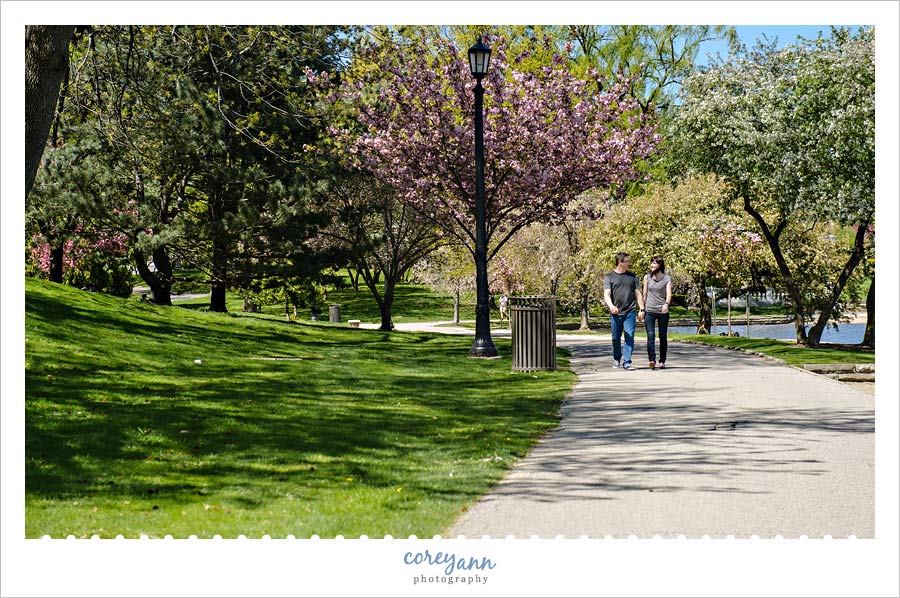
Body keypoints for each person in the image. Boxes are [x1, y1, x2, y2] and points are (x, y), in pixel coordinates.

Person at [603, 252, 644, 370]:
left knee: (629, 335)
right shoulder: (609, 277)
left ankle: (627, 361)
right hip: (615, 312)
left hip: (629, 311)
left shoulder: (633, 277)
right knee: (616, 337)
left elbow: (638, 293)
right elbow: (607, 294)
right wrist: (611, 306)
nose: (629, 263)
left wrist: (641, 309)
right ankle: (617, 358)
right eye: (627, 261)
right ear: (620, 263)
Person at [642, 256, 673, 370]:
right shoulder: (647, 277)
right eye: (651, 263)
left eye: (654, 263)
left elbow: (669, 294)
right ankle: (652, 360)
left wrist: (666, 304)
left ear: (660, 265)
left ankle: (662, 360)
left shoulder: (667, 278)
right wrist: (642, 309)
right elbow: (644, 293)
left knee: (662, 336)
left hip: (662, 311)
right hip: (649, 310)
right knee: (650, 336)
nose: (652, 266)